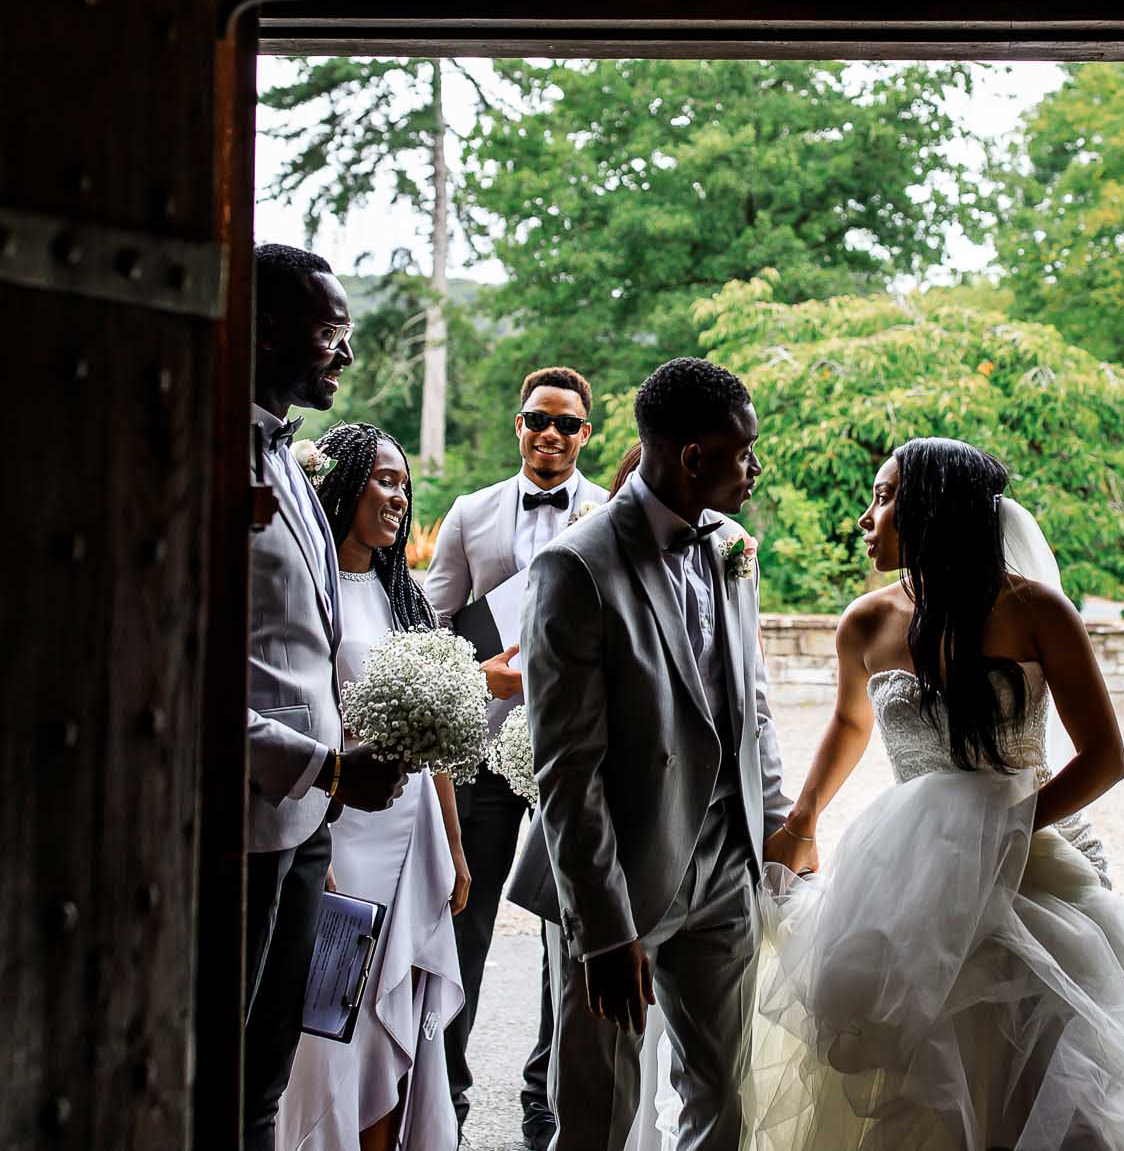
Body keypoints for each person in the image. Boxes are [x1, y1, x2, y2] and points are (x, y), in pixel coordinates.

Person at [754, 437, 1124, 1151]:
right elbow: (849, 722)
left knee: (1042, 1074)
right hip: (905, 879)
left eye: (885, 497)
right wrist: (803, 818)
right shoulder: (865, 620)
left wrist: (1002, 829)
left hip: (1029, 870)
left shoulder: (1037, 610)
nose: (866, 517)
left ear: (934, 511)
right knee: (910, 1075)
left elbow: (1105, 757)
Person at [513, 358, 791, 1151]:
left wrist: (773, 830)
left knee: (726, 1101)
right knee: (597, 1117)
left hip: (723, 874)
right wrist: (601, 928)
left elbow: (752, 705)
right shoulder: (576, 565)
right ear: (694, 457)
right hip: (618, 881)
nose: (755, 467)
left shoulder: (736, 548)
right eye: (745, 450)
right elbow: (567, 768)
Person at [246, 244, 408, 1151]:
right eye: (330, 333)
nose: (344, 355)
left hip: (309, 824)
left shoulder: (294, 471)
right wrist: (322, 765)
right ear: (267, 328)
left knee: (267, 1072)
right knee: (225, 1068)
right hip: (246, 823)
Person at [423, 367, 609, 1149]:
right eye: (539, 419)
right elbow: (428, 627)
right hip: (482, 753)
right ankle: (449, 1092)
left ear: (585, 434)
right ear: (519, 424)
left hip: (576, 755)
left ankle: (546, 1089)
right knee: (466, 917)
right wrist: (476, 675)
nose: (552, 434)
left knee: (567, 934)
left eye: (567, 424)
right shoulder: (471, 514)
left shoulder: (610, 513)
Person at [279, 422, 472, 1151]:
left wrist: (454, 846)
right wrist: (313, 844)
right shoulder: (314, 586)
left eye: (403, 484)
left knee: (404, 1012)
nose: (398, 496)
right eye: (383, 480)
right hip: (342, 835)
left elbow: (438, 741)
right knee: (339, 1017)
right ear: (342, 482)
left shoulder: (406, 598)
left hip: (413, 834)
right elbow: (305, 720)